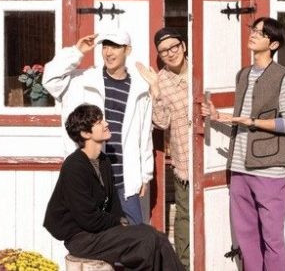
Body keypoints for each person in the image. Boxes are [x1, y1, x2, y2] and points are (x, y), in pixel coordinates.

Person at [201, 16, 285, 271]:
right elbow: (241, 118)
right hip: (239, 167)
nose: (253, 34)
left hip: (270, 170)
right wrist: (217, 116)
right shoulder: (243, 75)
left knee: (272, 239)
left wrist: (253, 122)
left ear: (274, 44)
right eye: (253, 29)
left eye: (260, 32)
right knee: (246, 240)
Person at [44, 103, 185, 271]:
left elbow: (113, 206)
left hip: (98, 232)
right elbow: (87, 217)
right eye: (99, 122)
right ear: (85, 133)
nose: (106, 124)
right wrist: (119, 223)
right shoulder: (74, 166)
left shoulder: (104, 162)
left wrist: (121, 222)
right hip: (81, 238)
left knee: (158, 237)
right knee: (146, 240)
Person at [43, 30, 153, 225]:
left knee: (136, 236)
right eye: (105, 46)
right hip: (92, 179)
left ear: (127, 50)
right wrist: (77, 51)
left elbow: (145, 135)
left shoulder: (140, 89)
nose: (108, 52)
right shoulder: (82, 81)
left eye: (115, 47)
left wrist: (145, 175)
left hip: (125, 181)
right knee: (94, 236)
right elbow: (50, 80)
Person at [136, 27, 190, 270]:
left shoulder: (202, 72)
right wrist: (155, 89)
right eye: (163, 51)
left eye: (174, 47)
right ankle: (185, 265)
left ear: (183, 46)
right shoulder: (161, 80)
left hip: (212, 158)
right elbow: (161, 122)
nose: (170, 53)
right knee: (184, 216)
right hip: (183, 161)